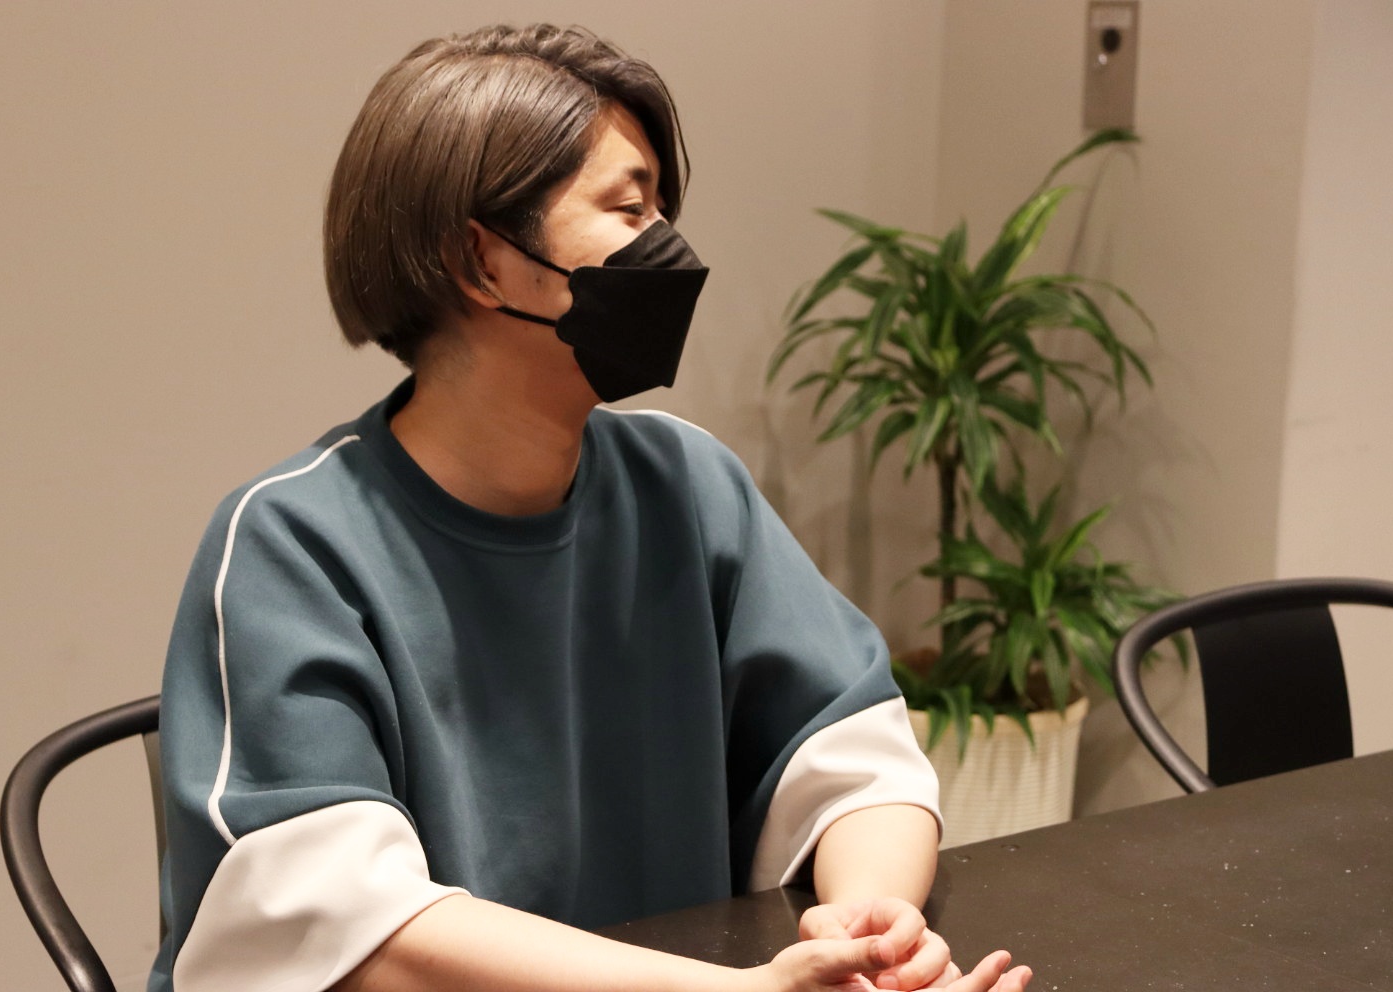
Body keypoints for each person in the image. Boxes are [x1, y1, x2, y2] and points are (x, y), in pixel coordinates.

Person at [150, 23, 1030, 992]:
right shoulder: (291, 547)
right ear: (481, 262)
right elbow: (351, 932)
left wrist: (872, 930)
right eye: (628, 207)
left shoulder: (686, 486)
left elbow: (850, 746)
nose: (666, 246)